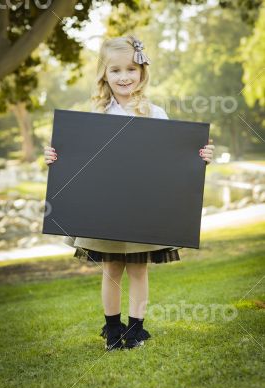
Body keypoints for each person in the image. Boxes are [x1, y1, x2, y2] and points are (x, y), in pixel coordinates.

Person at [44, 34, 215, 351]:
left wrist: (198, 156)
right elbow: (76, 157)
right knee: (110, 270)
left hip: (141, 209)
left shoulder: (155, 113)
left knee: (138, 269)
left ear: (142, 72)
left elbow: (172, 159)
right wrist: (56, 158)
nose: (124, 77)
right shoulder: (94, 116)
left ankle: (135, 330)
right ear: (104, 75)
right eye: (116, 71)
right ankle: (112, 331)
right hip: (106, 209)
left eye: (131, 70)